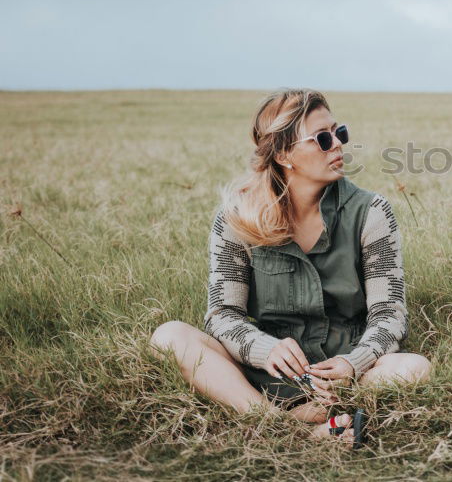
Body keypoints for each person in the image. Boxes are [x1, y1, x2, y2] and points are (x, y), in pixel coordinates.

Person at [150, 88, 431, 443]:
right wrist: (265, 349)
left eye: (339, 133)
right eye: (322, 139)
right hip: (263, 371)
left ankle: (312, 414)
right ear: (284, 154)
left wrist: (352, 364)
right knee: (170, 337)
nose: (338, 145)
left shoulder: (371, 212)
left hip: (343, 372)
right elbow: (222, 314)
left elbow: (389, 314)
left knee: (413, 368)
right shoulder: (238, 218)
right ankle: (280, 424)